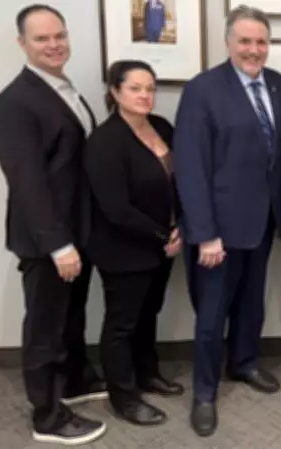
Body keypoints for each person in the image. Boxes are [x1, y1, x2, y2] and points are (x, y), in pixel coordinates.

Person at [0, 4, 106, 445]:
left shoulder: (63, 89)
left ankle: (72, 382)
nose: (54, 44)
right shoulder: (14, 102)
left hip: (78, 229)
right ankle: (48, 417)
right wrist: (59, 245)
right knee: (45, 327)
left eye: (59, 35)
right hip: (47, 239)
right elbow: (28, 182)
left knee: (70, 317)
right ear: (23, 44)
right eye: (41, 38)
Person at [173, 5, 281, 437]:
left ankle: (243, 363)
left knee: (251, 304)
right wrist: (204, 234)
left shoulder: (280, 87)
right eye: (245, 41)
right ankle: (204, 393)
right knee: (210, 318)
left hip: (262, 223)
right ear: (228, 43)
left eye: (261, 41)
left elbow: (280, 158)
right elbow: (190, 167)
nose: (254, 49)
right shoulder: (203, 90)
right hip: (217, 233)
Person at [83, 60, 184, 427]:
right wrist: (163, 235)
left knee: (148, 314)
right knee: (122, 325)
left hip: (164, 246)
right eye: (135, 88)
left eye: (150, 88)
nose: (145, 95)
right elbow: (116, 208)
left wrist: (181, 227)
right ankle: (124, 397)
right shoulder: (105, 141)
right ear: (115, 92)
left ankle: (147, 373)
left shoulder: (161, 127)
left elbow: (181, 182)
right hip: (124, 248)